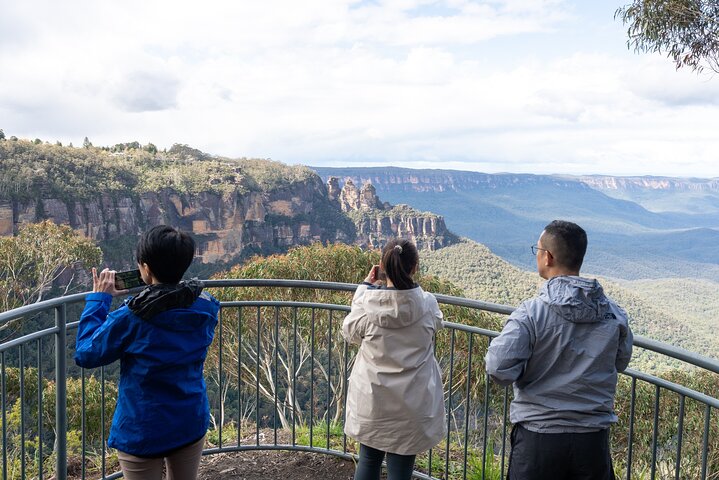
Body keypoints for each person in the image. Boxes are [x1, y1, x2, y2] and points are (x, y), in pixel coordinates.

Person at [485, 220, 633, 480]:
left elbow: (498, 368)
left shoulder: (531, 313)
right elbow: (620, 362)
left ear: (548, 257)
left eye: (537, 250)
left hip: (538, 440)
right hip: (592, 442)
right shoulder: (613, 314)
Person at [75, 225, 219, 480]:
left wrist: (100, 300)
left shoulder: (133, 317)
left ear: (145, 268)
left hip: (143, 427)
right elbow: (170, 303)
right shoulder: (206, 306)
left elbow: (86, 353)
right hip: (189, 417)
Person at [342, 238, 446, 480]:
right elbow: (438, 323)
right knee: (401, 470)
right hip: (411, 403)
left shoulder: (367, 307)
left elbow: (349, 332)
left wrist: (364, 288)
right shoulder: (427, 305)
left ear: (382, 266)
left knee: (368, 461)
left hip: (373, 401)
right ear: (415, 267)